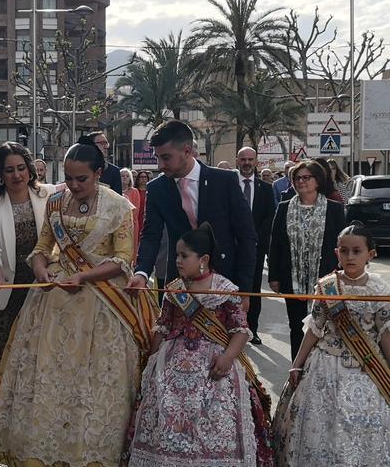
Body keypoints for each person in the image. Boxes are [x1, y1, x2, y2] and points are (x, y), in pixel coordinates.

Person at [0, 137, 155, 467]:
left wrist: (83, 275)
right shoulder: (56, 203)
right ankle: (41, 458)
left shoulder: (119, 207)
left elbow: (124, 261)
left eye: (82, 179)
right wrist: (40, 270)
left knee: (94, 381)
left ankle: (94, 460)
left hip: (104, 301)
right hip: (53, 299)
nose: (74, 186)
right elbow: (41, 248)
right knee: (47, 374)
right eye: (69, 177)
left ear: (99, 173)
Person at [117, 223, 277, 467]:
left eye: (184, 256)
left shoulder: (225, 290)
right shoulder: (174, 290)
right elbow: (163, 327)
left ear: (203, 259)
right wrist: (150, 361)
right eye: (177, 255)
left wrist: (228, 358)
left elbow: (240, 330)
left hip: (214, 365)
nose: (177, 261)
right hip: (173, 364)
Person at [276, 223, 390, 467]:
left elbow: (386, 334)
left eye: (357, 251)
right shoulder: (326, 285)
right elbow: (314, 329)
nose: (350, 256)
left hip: (368, 368)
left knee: (371, 425)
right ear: (336, 252)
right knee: (321, 426)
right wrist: (297, 363)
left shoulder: (379, 289)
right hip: (326, 364)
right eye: (344, 250)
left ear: (371, 254)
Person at [129, 120, 256, 299]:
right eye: (157, 158)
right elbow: (151, 235)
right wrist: (141, 273)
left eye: (165, 157)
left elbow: (246, 236)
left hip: (225, 281)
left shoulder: (224, 181)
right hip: (178, 284)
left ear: (187, 151)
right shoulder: (157, 189)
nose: (160, 165)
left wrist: (244, 290)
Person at [0, 142, 51, 418]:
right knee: (4, 363)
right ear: (0, 174)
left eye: (21, 168)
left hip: (42, 290)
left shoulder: (49, 195)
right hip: (5, 294)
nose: (17, 175)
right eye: (9, 170)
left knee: (36, 361)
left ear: (30, 170)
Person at [268, 160, 347, 359]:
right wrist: (274, 275)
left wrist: (343, 274)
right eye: (296, 178)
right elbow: (276, 243)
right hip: (291, 275)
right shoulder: (285, 208)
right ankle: (298, 367)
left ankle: (322, 364)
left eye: (306, 177)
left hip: (326, 278)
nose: (301, 181)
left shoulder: (334, 209)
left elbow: (342, 245)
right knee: (296, 326)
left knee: (326, 324)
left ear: (318, 180)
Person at [236, 147, 276, 346]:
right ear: (237, 161)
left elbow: (270, 217)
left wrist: (256, 238)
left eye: (250, 159)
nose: (246, 163)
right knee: (231, 288)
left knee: (253, 289)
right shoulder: (229, 186)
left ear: (256, 162)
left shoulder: (266, 189)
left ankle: (253, 329)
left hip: (256, 248)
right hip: (232, 247)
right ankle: (233, 328)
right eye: (243, 159)